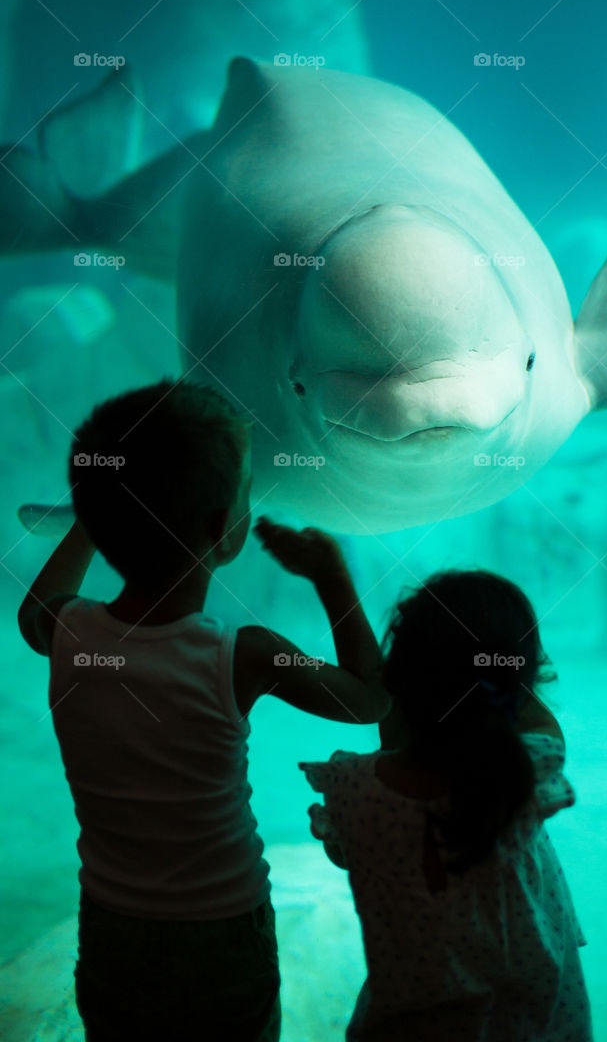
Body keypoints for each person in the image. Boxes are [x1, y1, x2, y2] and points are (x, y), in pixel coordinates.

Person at [17, 378, 389, 1042]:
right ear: (226, 532)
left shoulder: (66, 634)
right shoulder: (248, 656)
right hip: (221, 929)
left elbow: (36, 607)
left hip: (113, 927)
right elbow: (368, 701)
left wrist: (91, 519)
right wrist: (332, 579)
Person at [300, 569, 593, 1041]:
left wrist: (333, 583)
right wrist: (496, 674)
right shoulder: (522, 773)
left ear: (398, 677)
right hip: (532, 1019)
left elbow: (392, 730)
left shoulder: (357, 789)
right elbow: (519, 717)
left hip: (408, 1021)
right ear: (522, 673)